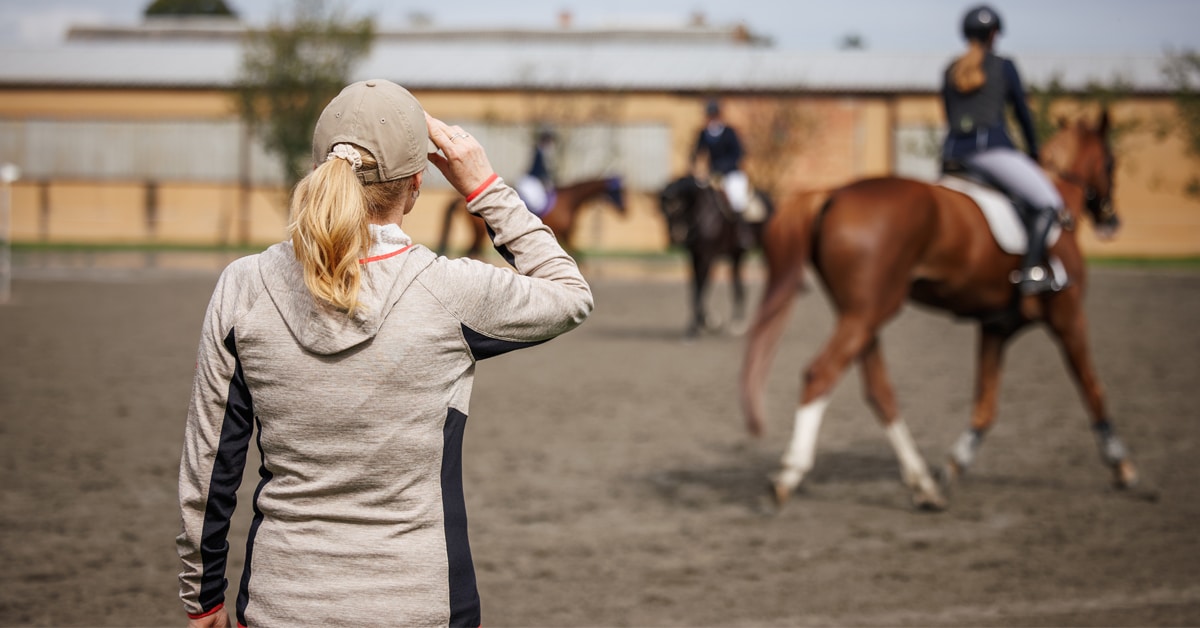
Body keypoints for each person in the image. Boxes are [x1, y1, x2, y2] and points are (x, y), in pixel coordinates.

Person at [176, 79, 592, 628]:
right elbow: (570, 294)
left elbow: (210, 467)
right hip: (422, 606)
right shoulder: (452, 291)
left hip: (282, 605)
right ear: (416, 186)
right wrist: (485, 186)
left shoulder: (243, 287)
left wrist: (203, 597)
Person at [941, 4, 1063, 294]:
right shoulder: (1003, 66)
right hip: (991, 153)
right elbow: (1022, 113)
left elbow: (948, 114)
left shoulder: (950, 70)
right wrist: (1034, 151)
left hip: (952, 155)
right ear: (994, 35)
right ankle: (1031, 270)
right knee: (1048, 202)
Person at [692, 99, 756, 247]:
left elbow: (738, 154)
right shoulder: (704, 134)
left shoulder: (729, 133)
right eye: (709, 115)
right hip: (712, 175)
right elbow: (697, 151)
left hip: (731, 174)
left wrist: (722, 167)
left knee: (737, 199)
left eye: (714, 115)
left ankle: (742, 232)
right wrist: (694, 166)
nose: (711, 118)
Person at [515, 127, 557, 217]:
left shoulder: (544, 153)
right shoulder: (539, 152)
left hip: (535, 181)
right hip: (531, 181)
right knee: (536, 203)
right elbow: (540, 170)